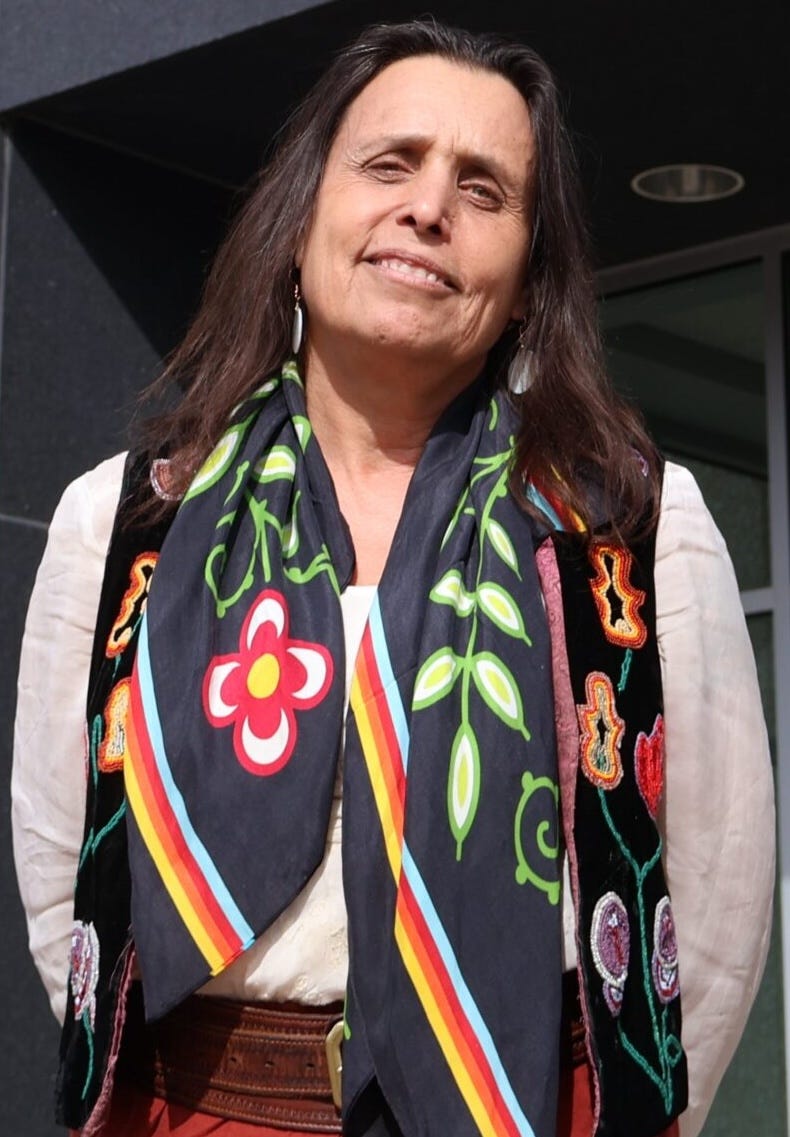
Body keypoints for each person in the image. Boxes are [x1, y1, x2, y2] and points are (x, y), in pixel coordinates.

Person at [12, 18, 773, 1137]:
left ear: (523, 285)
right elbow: (57, 874)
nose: (428, 209)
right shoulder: (124, 520)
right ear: (298, 223)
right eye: (389, 164)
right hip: (196, 1111)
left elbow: (712, 909)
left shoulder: (631, 526)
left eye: (484, 189)